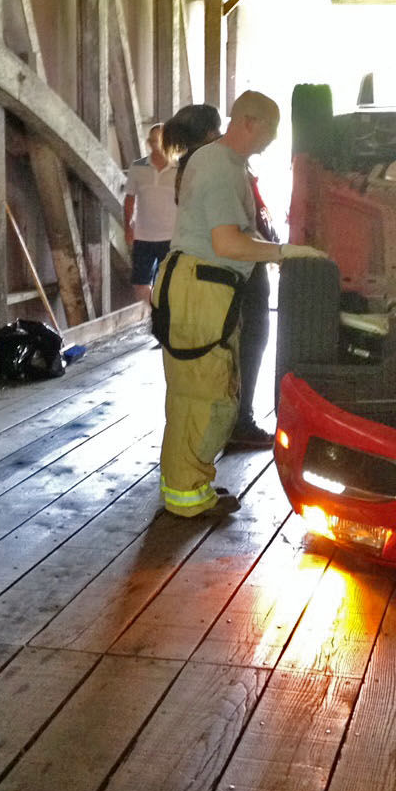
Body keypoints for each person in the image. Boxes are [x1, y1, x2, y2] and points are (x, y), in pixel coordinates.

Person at [151, 91, 325, 517]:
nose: (271, 142)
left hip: (200, 286)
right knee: (207, 396)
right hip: (201, 287)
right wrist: (285, 252)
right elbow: (226, 242)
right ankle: (188, 499)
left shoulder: (220, 161)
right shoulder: (218, 168)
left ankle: (184, 488)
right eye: (270, 132)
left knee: (193, 393)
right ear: (251, 122)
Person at [230, 169, 279, 450]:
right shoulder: (228, 171)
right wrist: (277, 251)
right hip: (245, 264)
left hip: (243, 263)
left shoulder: (206, 166)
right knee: (252, 339)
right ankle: (240, 420)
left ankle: (236, 418)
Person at [124, 123, 178, 305]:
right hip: (143, 235)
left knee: (169, 282)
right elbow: (129, 199)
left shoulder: (179, 169)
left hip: (171, 236)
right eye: (154, 141)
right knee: (140, 283)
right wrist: (128, 228)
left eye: (161, 141)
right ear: (148, 142)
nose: (157, 145)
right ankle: (150, 318)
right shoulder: (137, 167)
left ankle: (162, 319)